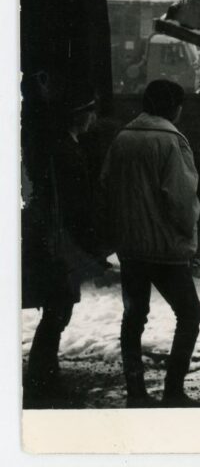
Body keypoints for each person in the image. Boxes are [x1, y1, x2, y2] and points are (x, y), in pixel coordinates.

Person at [99, 80, 200, 408]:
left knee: (134, 316)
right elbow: (181, 198)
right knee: (190, 314)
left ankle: (136, 392)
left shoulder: (123, 138)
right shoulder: (173, 141)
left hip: (130, 247)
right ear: (174, 108)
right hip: (164, 249)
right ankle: (173, 390)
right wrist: (188, 234)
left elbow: (106, 187)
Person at [24, 88, 107, 407]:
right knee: (58, 309)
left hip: (60, 244)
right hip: (63, 246)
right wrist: (88, 247)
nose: (93, 118)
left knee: (59, 308)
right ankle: (42, 376)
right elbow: (76, 206)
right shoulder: (66, 152)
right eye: (89, 112)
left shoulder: (63, 148)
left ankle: (46, 370)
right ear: (77, 117)